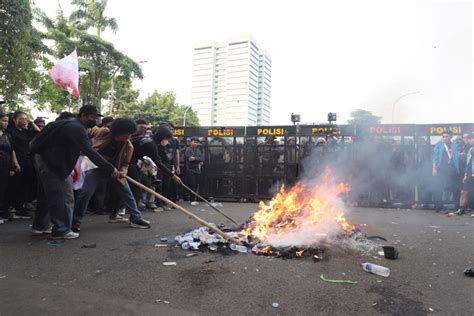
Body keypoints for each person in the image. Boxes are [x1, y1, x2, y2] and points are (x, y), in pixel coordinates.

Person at [31, 105, 121, 239]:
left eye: (97, 118)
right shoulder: (77, 128)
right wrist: (110, 168)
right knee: (64, 196)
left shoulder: (62, 123)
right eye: (93, 117)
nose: (95, 120)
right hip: (53, 163)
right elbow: (89, 151)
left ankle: (40, 225)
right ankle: (61, 230)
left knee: (45, 194)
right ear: (83, 115)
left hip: (42, 159)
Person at [73, 118, 152, 232]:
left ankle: (136, 217)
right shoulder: (104, 133)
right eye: (127, 134)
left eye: (131, 134)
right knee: (86, 193)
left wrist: (122, 172)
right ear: (119, 132)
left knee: (127, 194)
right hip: (96, 168)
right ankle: (75, 222)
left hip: (116, 171)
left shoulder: (129, 146)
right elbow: (88, 133)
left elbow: (125, 163)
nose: (129, 136)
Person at [129, 124, 183, 211]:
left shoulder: (147, 137)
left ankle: (128, 211)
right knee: (136, 188)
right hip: (129, 162)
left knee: (136, 186)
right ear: (162, 136)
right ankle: (133, 213)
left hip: (131, 161)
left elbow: (136, 149)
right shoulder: (151, 144)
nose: (167, 141)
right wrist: (173, 175)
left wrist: (142, 158)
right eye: (166, 139)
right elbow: (158, 163)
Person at [6, 111, 39, 219]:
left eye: (25, 118)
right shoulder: (10, 132)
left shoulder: (25, 131)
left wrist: (31, 122)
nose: (24, 121)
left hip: (27, 161)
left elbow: (39, 133)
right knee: (15, 185)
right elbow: (11, 149)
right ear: (14, 119)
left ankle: (21, 207)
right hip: (16, 161)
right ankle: (12, 208)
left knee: (25, 185)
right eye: (21, 118)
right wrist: (14, 163)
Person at [432, 130, 460, 212]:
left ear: (451, 137)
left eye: (446, 136)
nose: (445, 138)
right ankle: (438, 207)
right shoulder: (439, 145)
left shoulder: (455, 145)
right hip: (441, 170)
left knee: (455, 188)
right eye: (443, 136)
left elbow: (456, 157)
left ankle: (457, 206)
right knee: (439, 188)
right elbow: (435, 156)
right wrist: (434, 168)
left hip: (452, 170)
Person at [0, 113, 21, 221]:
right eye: (3, 120)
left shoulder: (7, 135)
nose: (5, 123)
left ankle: (3, 212)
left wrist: (15, 164)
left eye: (7, 121)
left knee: (4, 189)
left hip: (5, 165)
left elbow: (12, 150)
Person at [455, 132, 474, 215]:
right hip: (471, 173)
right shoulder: (470, 149)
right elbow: (468, 163)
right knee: (464, 191)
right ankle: (461, 209)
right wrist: (466, 174)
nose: (469, 140)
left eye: (470, 139)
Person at [184, 138, 203, 203]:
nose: (195, 143)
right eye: (194, 142)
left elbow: (201, 158)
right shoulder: (188, 149)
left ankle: (194, 198)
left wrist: (195, 158)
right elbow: (190, 159)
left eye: (197, 142)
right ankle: (191, 199)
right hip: (190, 169)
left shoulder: (198, 150)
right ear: (190, 142)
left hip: (197, 170)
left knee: (196, 184)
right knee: (191, 184)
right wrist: (197, 159)